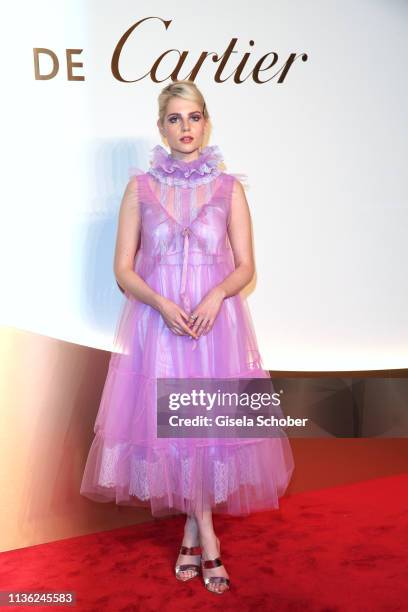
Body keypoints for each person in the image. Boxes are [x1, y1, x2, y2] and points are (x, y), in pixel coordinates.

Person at [80, 79, 295, 595]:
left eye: (194, 117)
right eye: (174, 119)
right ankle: (208, 538)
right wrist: (160, 302)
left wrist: (217, 295)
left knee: (206, 433)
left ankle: (192, 533)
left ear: (206, 122)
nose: (185, 128)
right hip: (160, 330)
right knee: (176, 436)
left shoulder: (229, 190)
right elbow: (123, 270)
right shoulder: (139, 190)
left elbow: (246, 268)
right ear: (161, 127)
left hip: (214, 330)